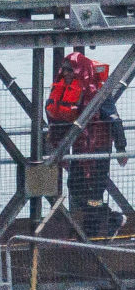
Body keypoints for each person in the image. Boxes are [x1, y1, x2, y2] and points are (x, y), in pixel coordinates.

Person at [46, 52, 128, 238]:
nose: (67, 74)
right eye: (65, 70)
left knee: (95, 193)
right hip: (80, 148)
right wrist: (58, 145)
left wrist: (121, 148)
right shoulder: (65, 90)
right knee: (74, 185)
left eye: (71, 71)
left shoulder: (98, 92)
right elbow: (56, 116)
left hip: (99, 147)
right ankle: (112, 219)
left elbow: (114, 119)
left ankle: (93, 233)